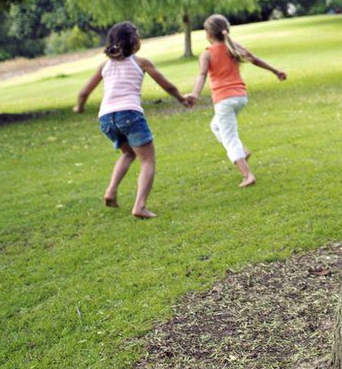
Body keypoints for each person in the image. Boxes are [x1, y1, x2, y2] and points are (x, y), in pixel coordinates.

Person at [73, 22, 191, 218]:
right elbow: (167, 86)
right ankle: (140, 206)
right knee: (147, 161)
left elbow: (84, 92)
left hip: (106, 118)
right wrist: (181, 99)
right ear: (134, 42)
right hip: (129, 114)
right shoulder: (140, 62)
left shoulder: (105, 66)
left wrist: (79, 107)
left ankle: (111, 190)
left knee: (128, 153)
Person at [186, 14, 286, 187]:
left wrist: (195, 93)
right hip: (240, 97)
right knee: (216, 126)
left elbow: (202, 75)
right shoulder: (233, 46)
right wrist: (276, 71)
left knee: (230, 138)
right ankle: (243, 152)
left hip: (224, 100)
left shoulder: (207, 54)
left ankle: (248, 175)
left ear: (208, 34)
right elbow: (255, 59)